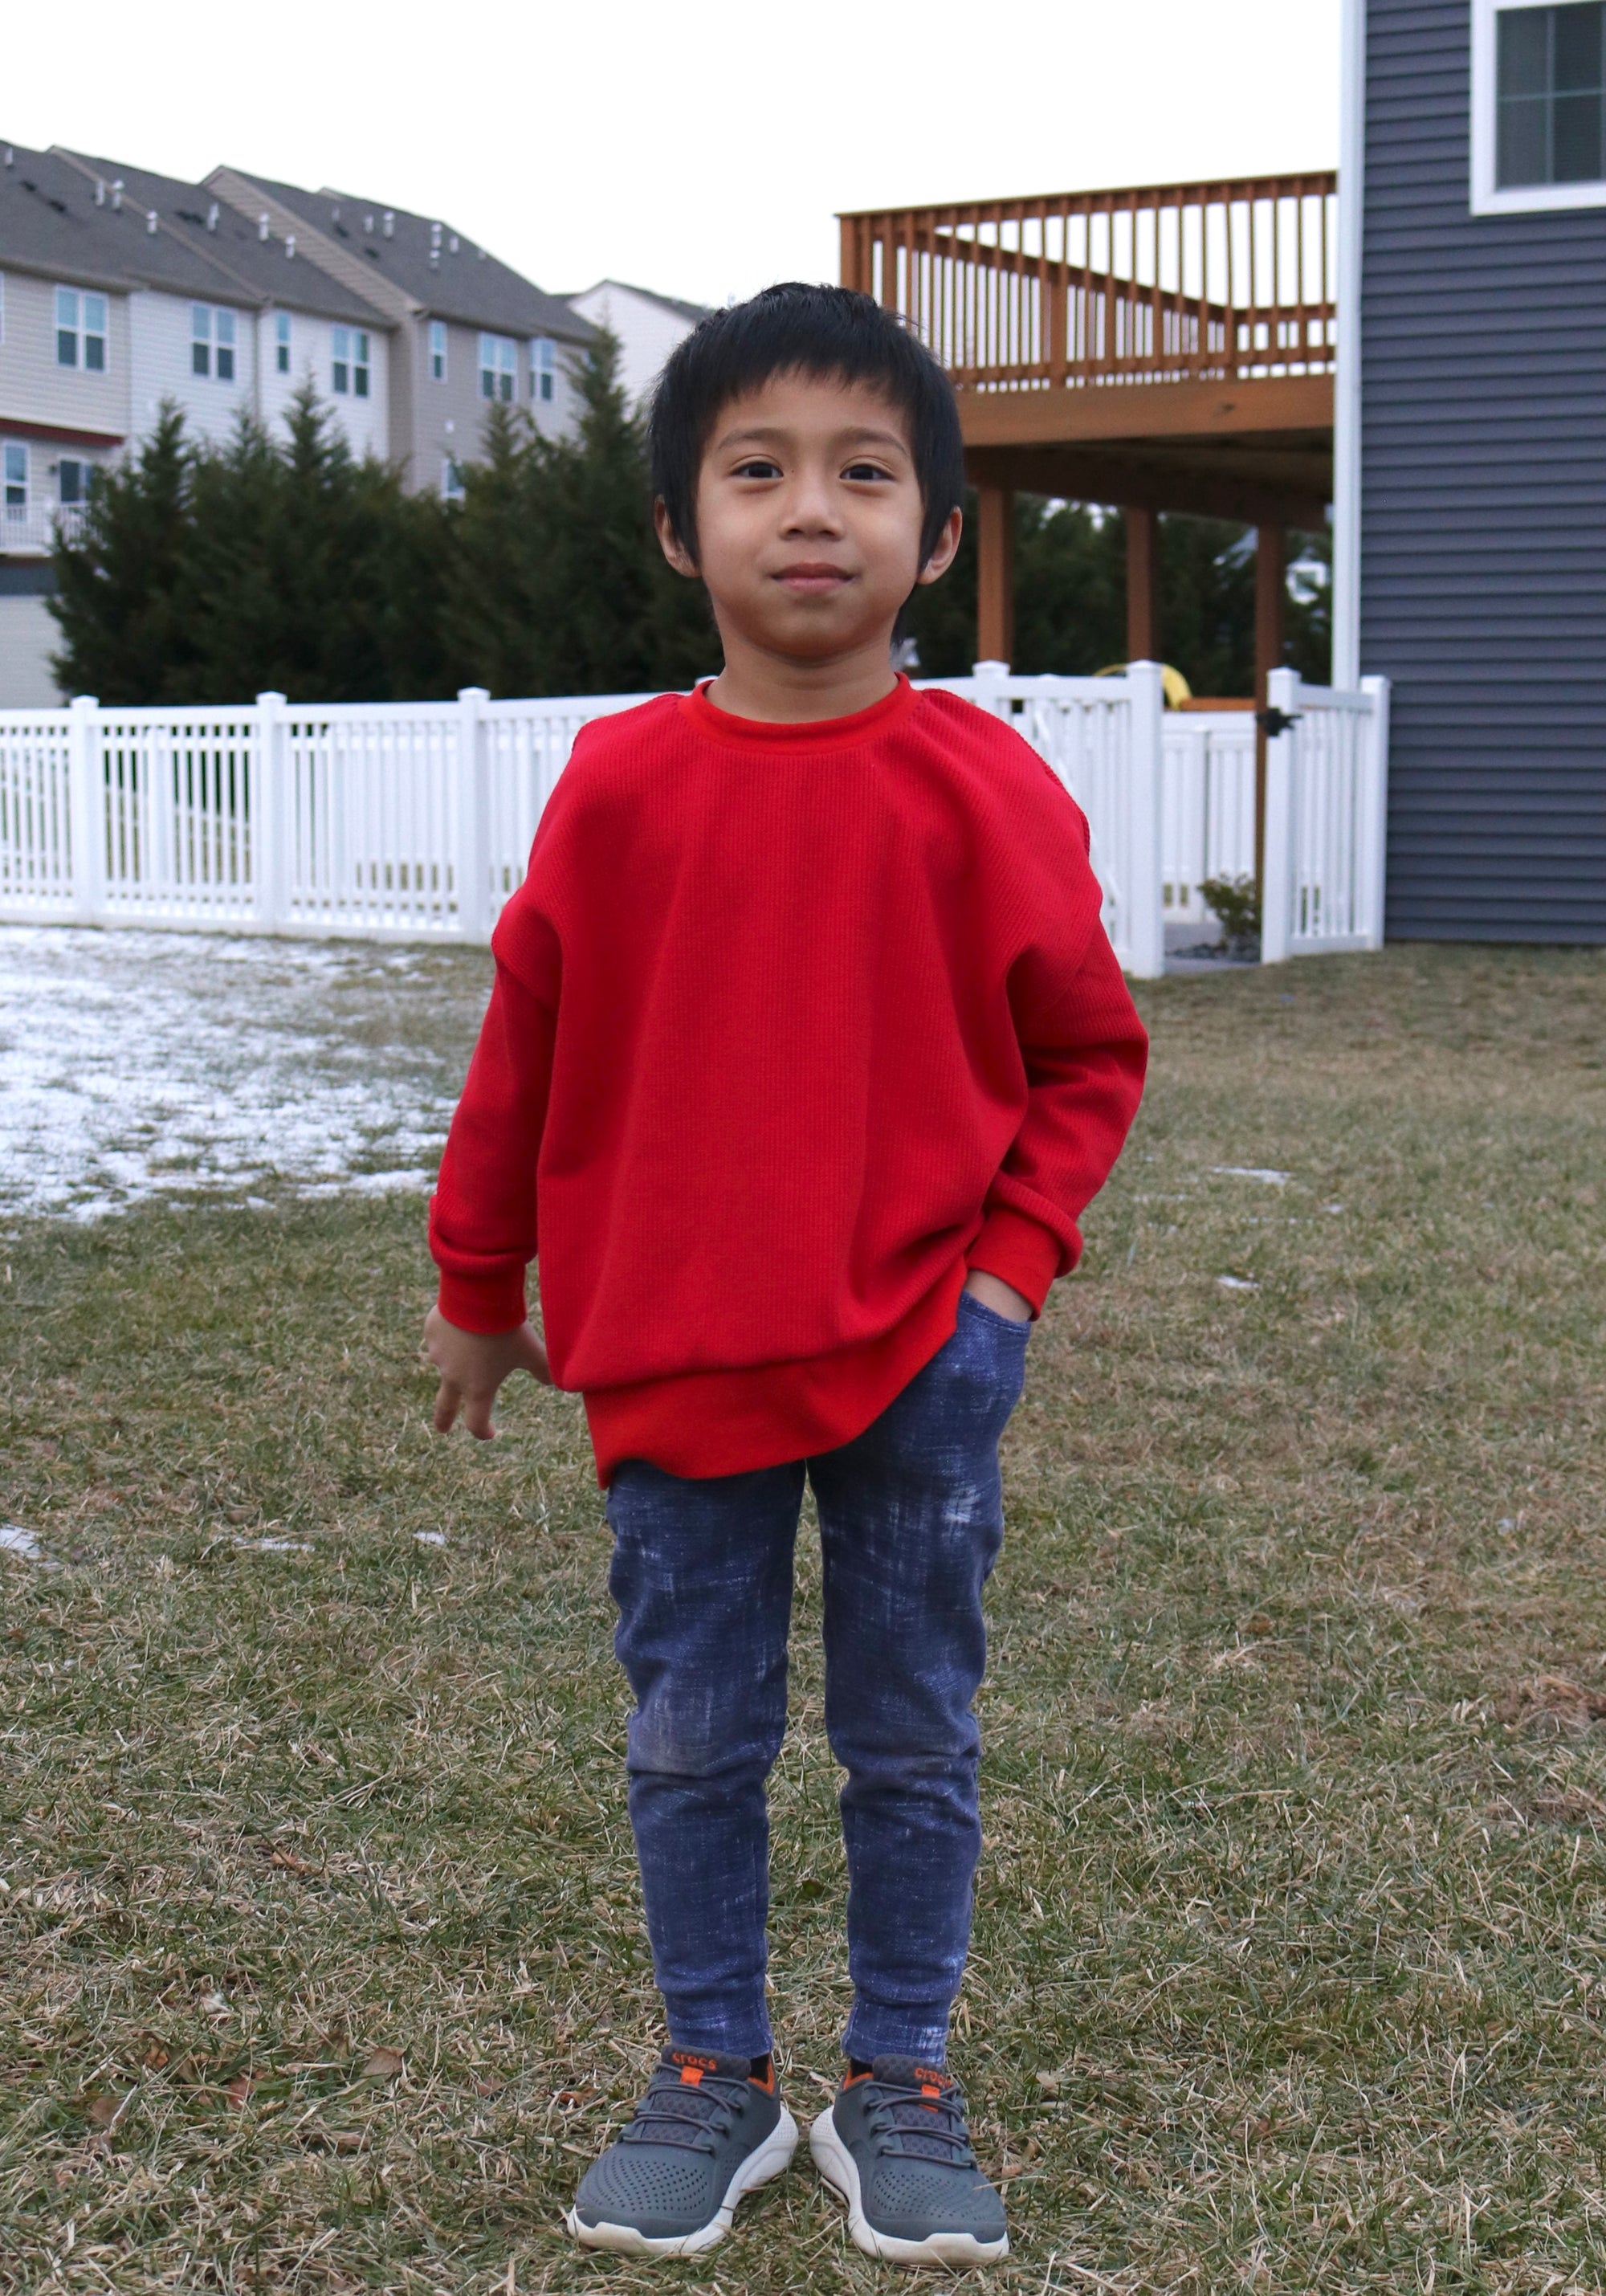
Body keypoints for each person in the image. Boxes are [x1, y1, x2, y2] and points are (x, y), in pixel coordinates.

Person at [425, 283, 1148, 2268]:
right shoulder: (619, 787)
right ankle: (713, 2073)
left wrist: (1003, 1286)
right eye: (757, 470)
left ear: (937, 533)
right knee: (693, 1736)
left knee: (911, 1734)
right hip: (673, 1362)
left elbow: (1087, 1056)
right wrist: (478, 1281)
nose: (811, 509)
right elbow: (523, 1050)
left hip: (924, 1360)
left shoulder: (986, 789)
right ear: (682, 529)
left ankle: (899, 2075)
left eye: (864, 472)